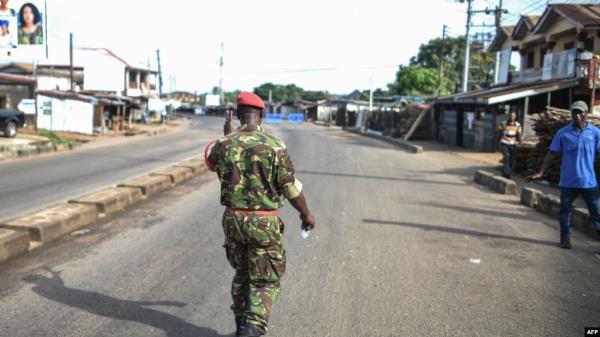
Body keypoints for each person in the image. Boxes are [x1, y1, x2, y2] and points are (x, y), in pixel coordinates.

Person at [206, 92, 315, 336]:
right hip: (263, 222)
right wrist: (306, 214)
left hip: (233, 220)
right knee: (265, 280)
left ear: (237, 113)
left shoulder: (224, 143)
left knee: (242, 274)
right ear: (261, 114)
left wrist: (227, 135)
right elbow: (289, 187)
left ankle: (240, 327)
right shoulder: (274, 146)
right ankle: (250, 329)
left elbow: (212, 163)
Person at [529, 101, 600, 249]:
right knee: (565, 211)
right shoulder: (563, 133)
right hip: (568, 181)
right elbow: (551, 154)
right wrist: (542, 172)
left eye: (580, 112)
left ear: (586, 114)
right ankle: (565, 239)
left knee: (596, 212)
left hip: (589, 181)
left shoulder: (595, 133)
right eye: (574, 112)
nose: (577, 115)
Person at [497, 111, 522, 178]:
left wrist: (520, 141)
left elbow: (519, 134)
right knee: (507, 156)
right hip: (504, 143)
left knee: (511, 159)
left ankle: (505, 172)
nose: (511, 117)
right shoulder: (503, 123)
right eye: (510, 116)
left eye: (513, 116)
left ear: (515, 117)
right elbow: (499, 133)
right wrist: (497, 142)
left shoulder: (518, 125)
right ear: (508, 116)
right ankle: (507, 173)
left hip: (513, 144)